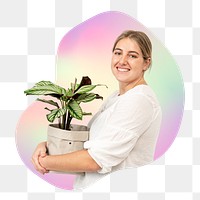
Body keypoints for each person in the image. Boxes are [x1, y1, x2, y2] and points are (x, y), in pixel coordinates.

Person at [31, 30, 162, 190]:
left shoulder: (139, 100)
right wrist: (46, 146)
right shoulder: (118, 97)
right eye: (118, 53)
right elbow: (92, 145)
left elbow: (96, 160)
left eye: (132, 56)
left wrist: (43, 161)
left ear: (146, 63)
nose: (122, 61)